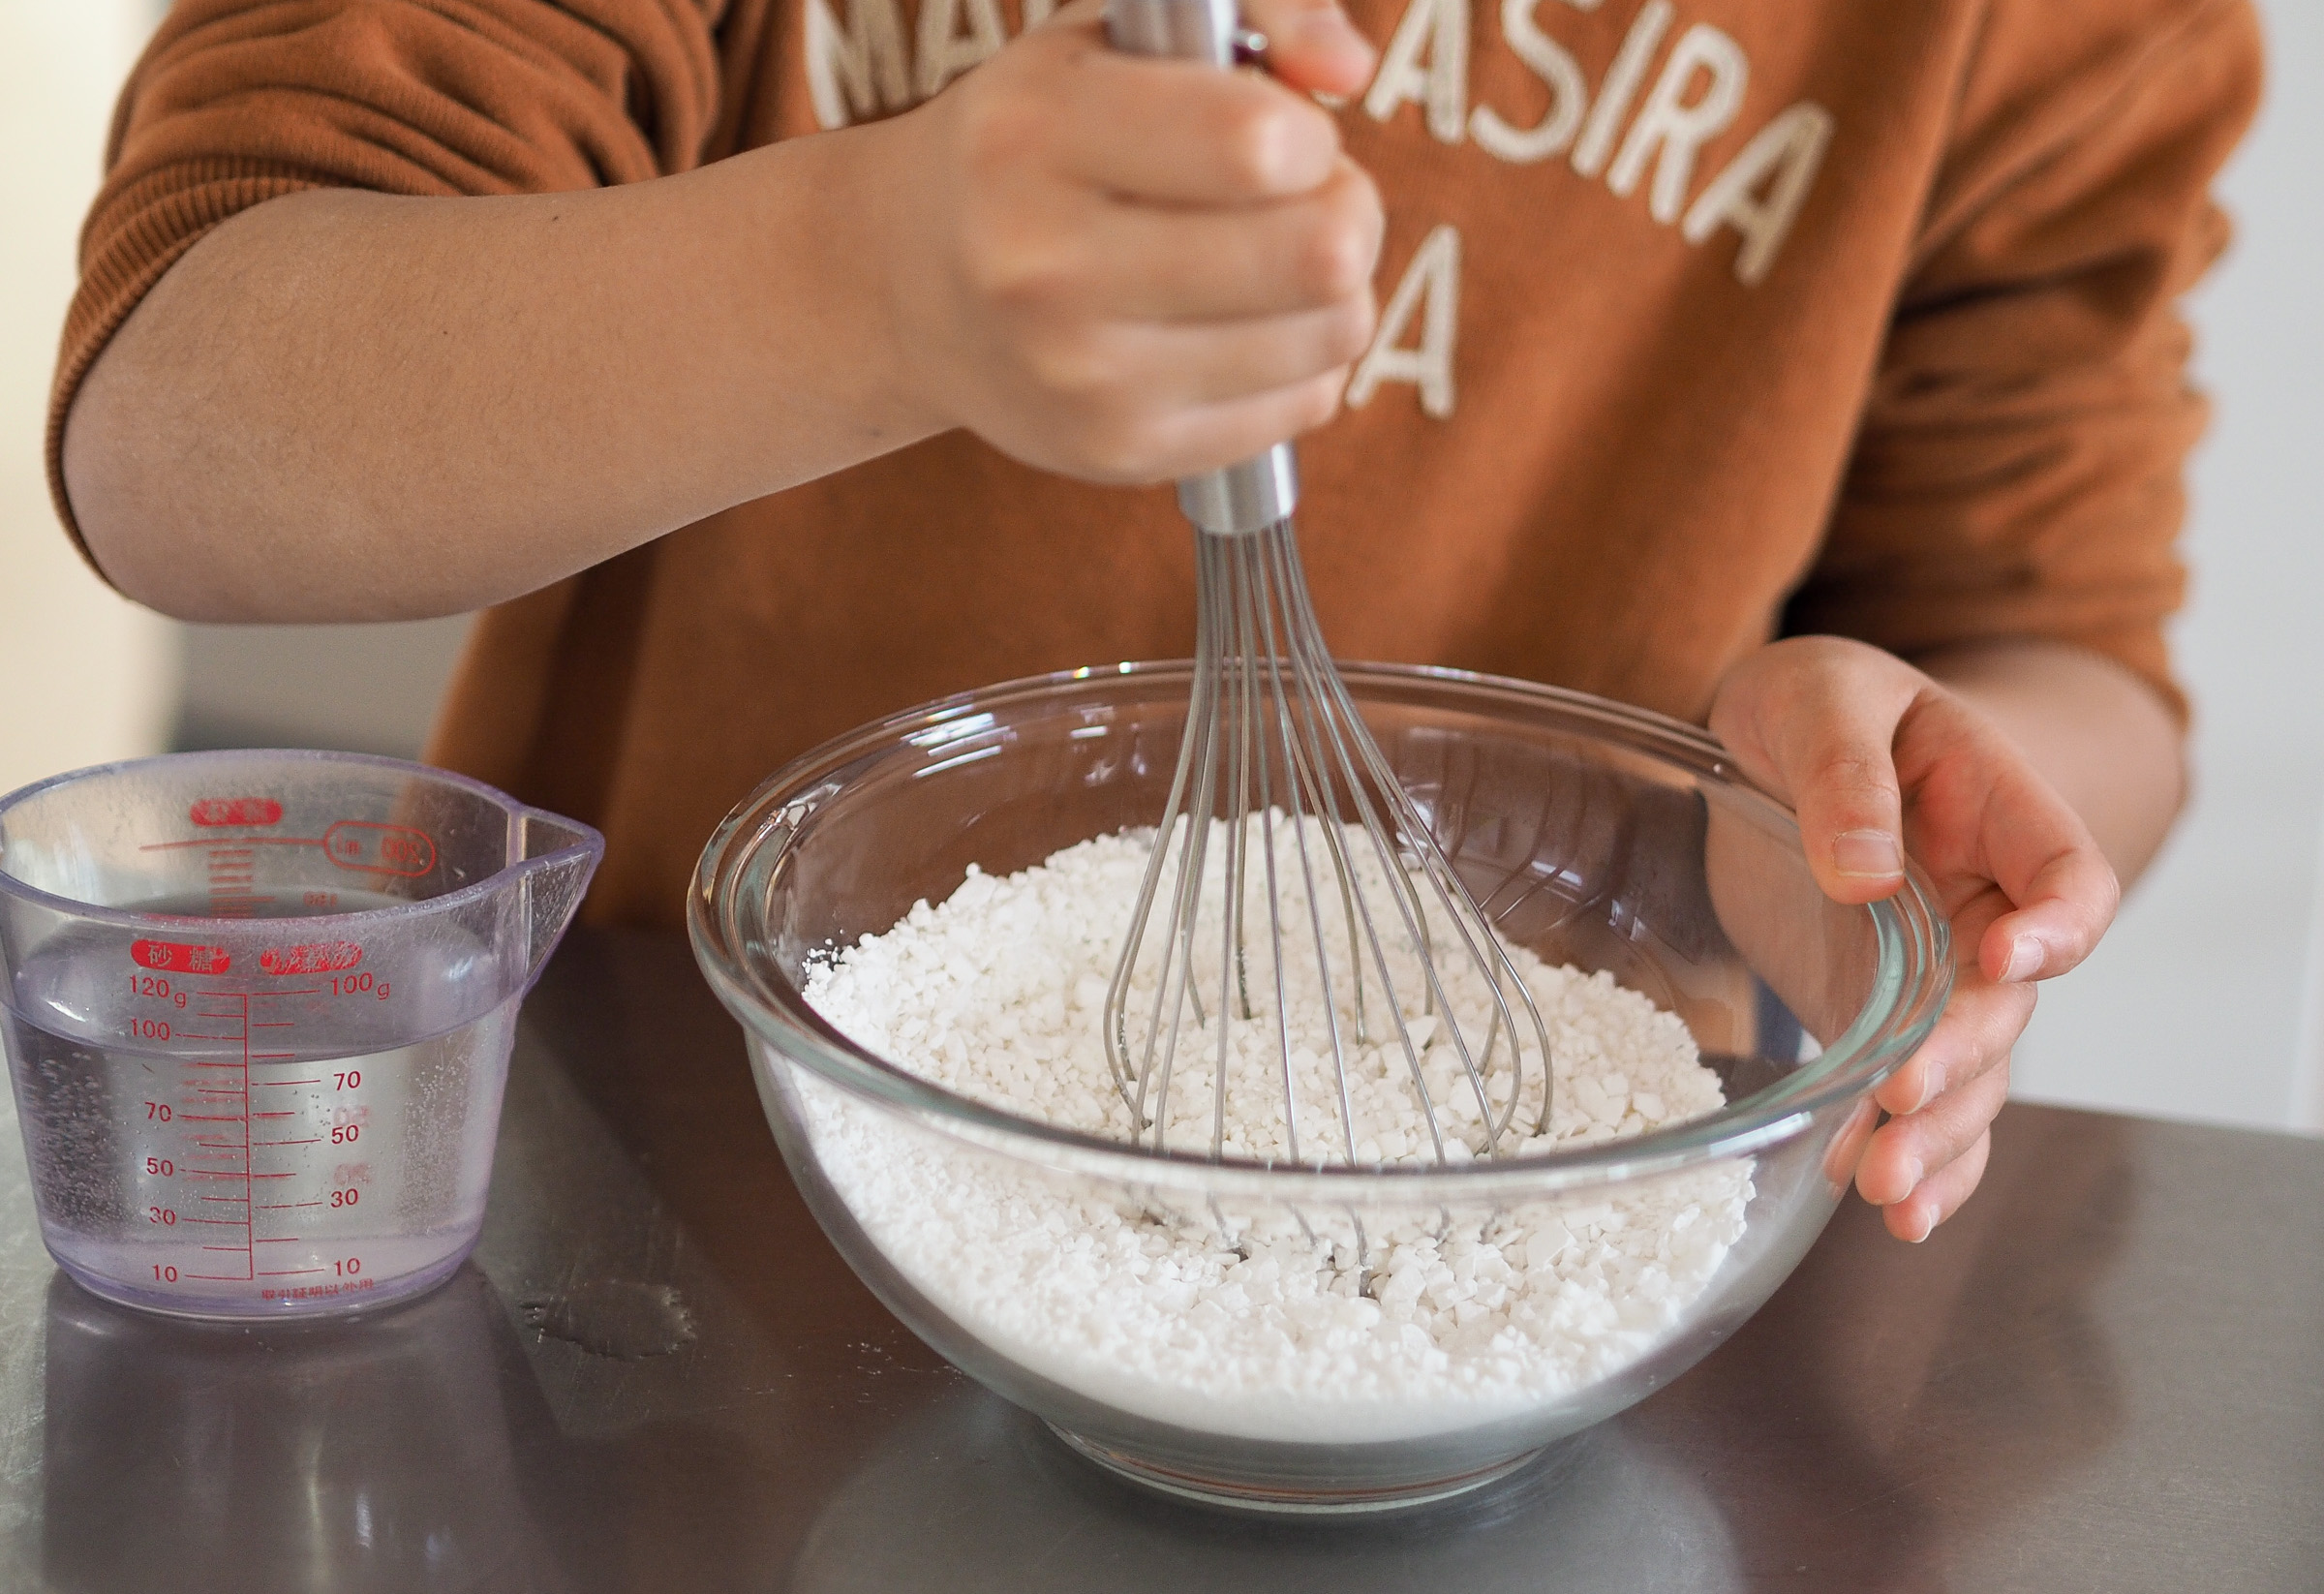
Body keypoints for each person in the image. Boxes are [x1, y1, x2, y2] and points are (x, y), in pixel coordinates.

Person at [47, 0, 2262, 1243]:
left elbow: (2054, 636)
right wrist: (860, 278)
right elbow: (184, 411)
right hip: (675, 1236)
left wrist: (1870, 822)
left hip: (1528, 1247)